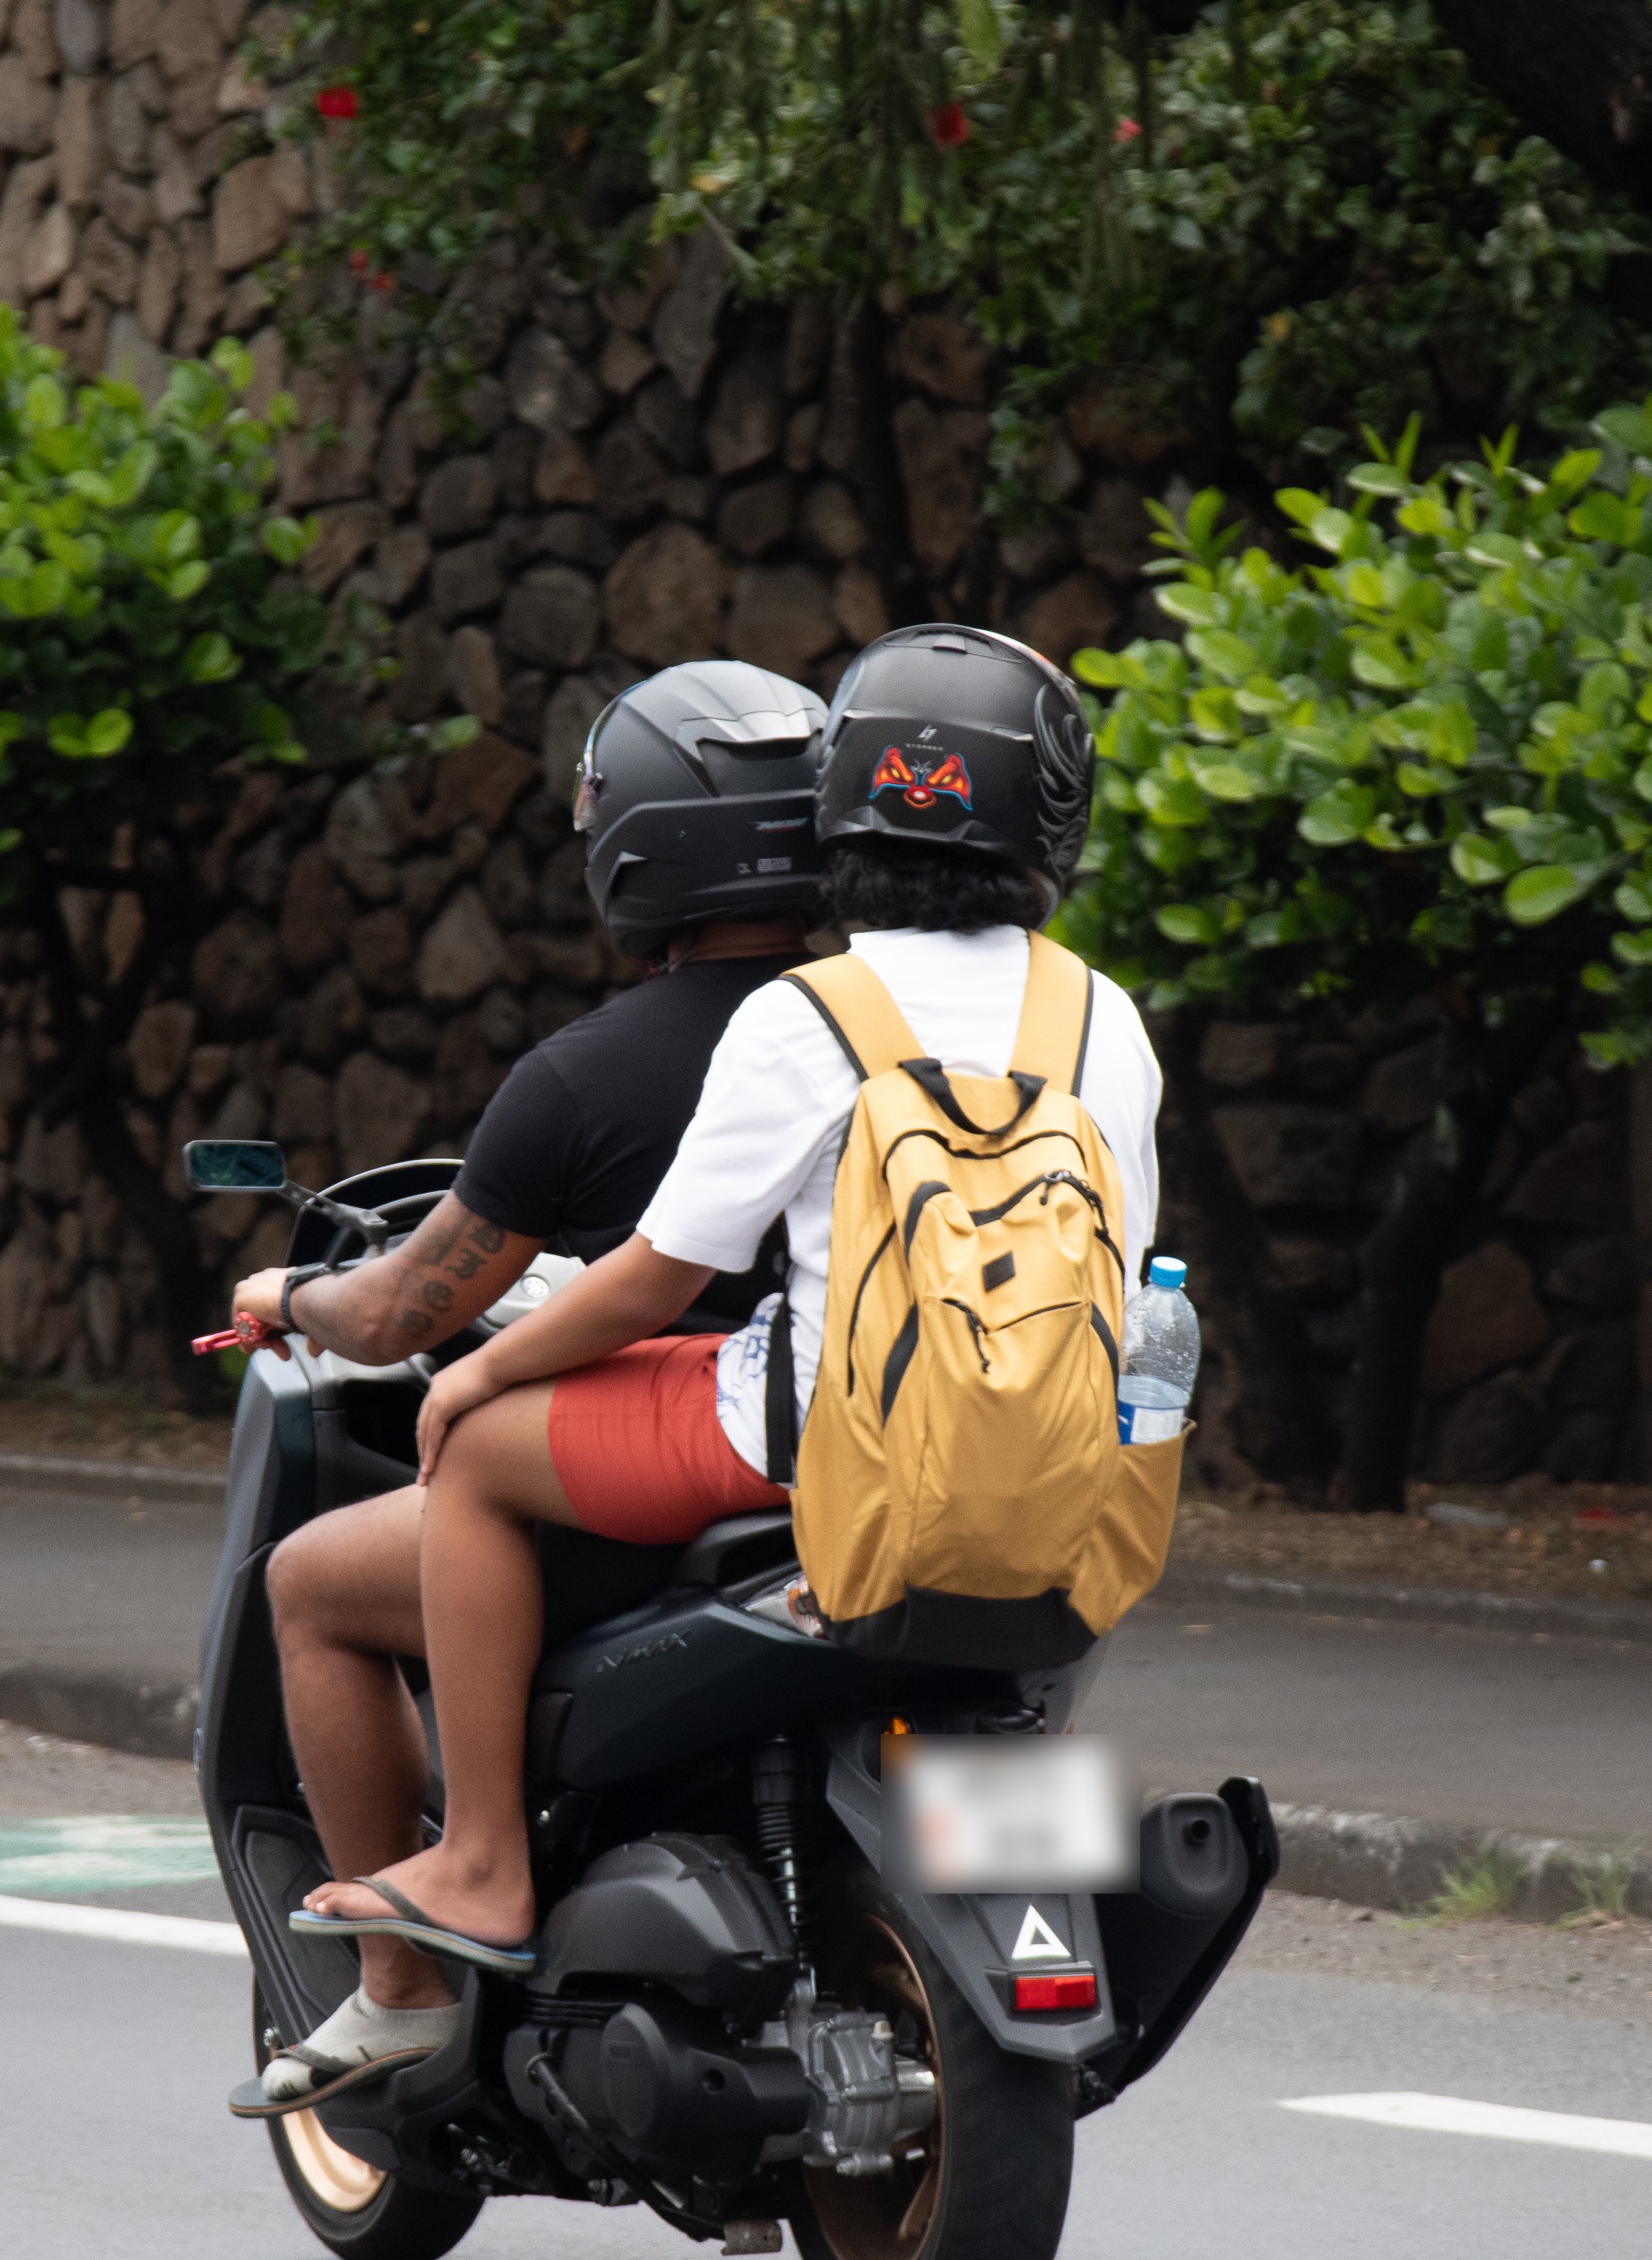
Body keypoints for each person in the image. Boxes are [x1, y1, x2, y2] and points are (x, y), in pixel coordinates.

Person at [289, 624, 1163, 1991]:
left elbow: (662, 1275)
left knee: (475, 1449)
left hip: (817, 1443)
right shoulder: (1102, 1014)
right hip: (1064, 1465)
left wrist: (477, 1374)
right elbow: (1129, 1259)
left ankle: (481, 1860)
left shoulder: (814, 1012)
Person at [226, 660, 830, 2105]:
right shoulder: (887, 1027)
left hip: (662, 1480)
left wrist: (285, 1297)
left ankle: (405, 1977)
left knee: (309, 1581)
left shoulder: (587, 1077)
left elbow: (400, 1310)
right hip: (890, 1445)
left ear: (634, 845)